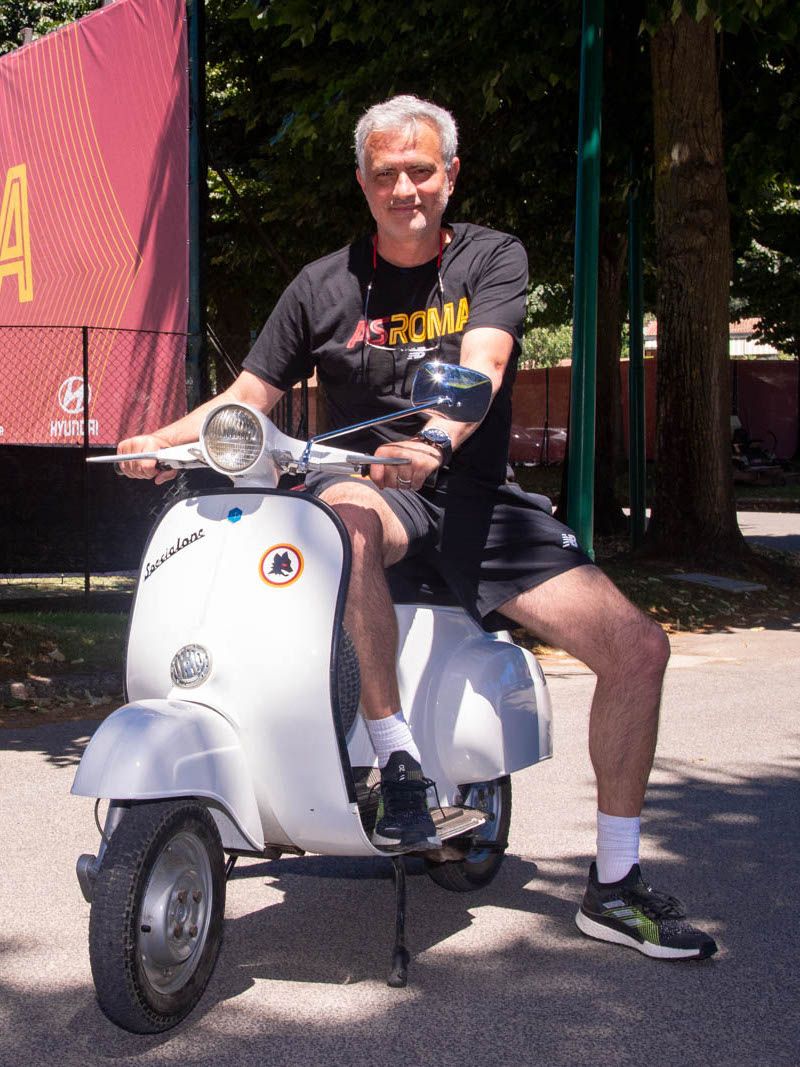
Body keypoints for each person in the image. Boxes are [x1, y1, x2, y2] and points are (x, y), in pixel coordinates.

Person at [117, 94, 717, 961]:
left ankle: (616, 885)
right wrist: (158, 441)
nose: (405, 188)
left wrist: (434, 440)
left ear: (451, 176)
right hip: (373, 487)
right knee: (346, 520)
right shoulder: (322, 285)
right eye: (386, 173)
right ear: (363, 182)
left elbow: (486, 362)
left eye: (421, 170)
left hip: (476, 494)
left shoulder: (491, 256)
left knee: (639, 649)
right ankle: (397, 762)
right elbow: (247, 397)